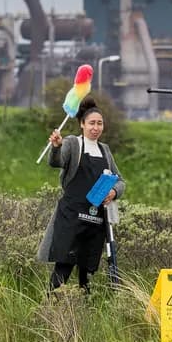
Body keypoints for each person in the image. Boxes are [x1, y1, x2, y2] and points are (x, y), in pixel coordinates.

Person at [37, 96, 125, 293]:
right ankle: (50, 305)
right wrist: (56, 147)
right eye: (92, 123)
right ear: (82, 124)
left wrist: (113, 192)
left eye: (99, 123)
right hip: (71, 217)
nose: (96, 127)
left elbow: (120, 181)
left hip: (95, 221)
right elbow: (56, 162)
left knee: (86, 273)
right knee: (64, 266)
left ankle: (84, 306)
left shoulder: (105, 150)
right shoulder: (72, 143)